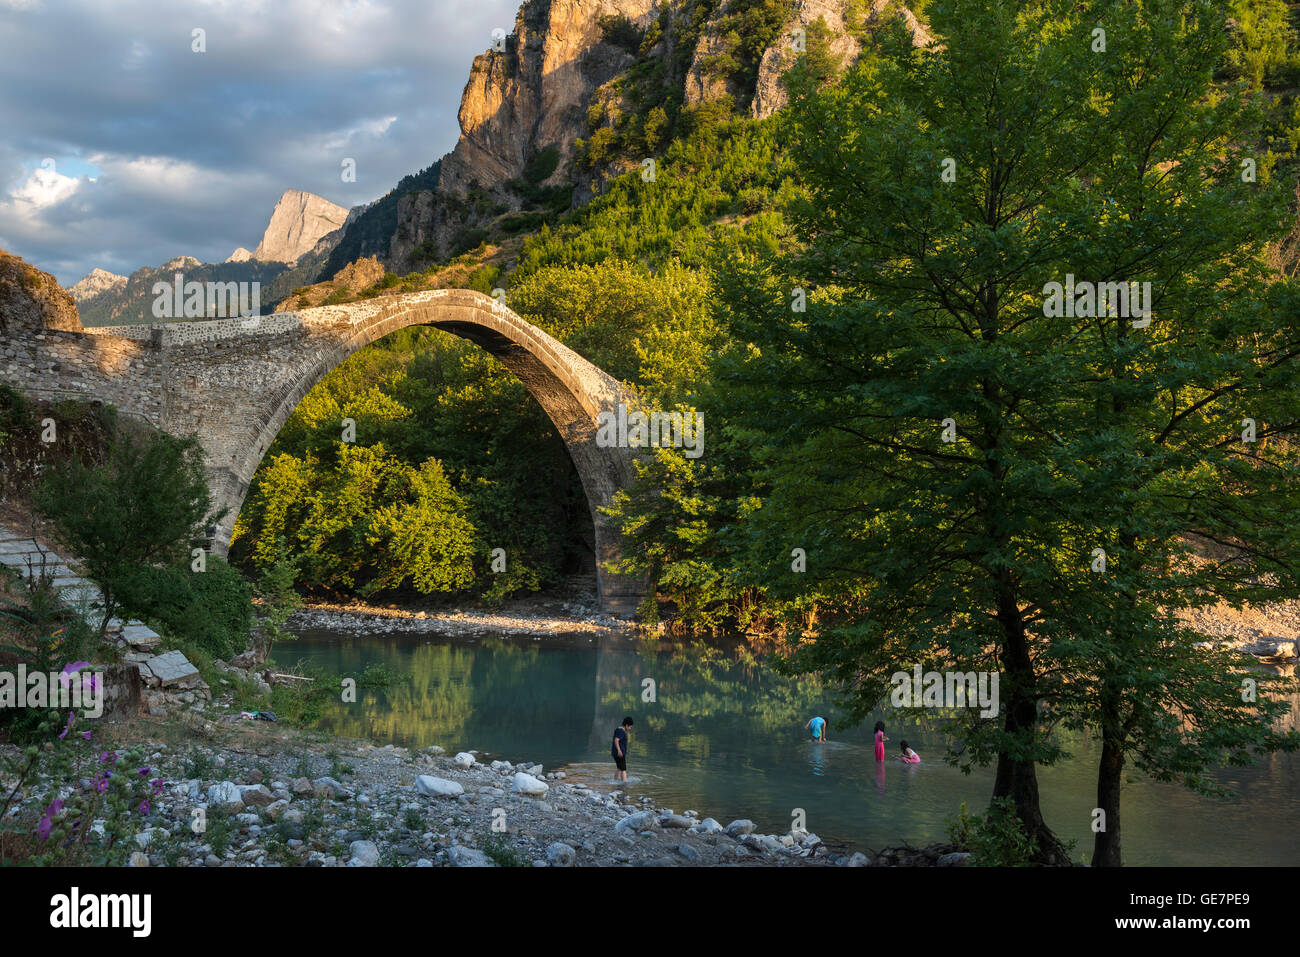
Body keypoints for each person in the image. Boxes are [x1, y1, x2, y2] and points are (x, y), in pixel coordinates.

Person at [611, 716, 633, 782]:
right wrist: (619, 750)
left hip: (616, 753)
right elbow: (616, 740)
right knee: (623, 769)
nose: (630, 728)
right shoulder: (621, 731)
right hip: (619, 753)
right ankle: (624, 784)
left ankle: (615, 781)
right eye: (630, 727)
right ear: (626, 725)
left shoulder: (618, 729)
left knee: (619, 768)